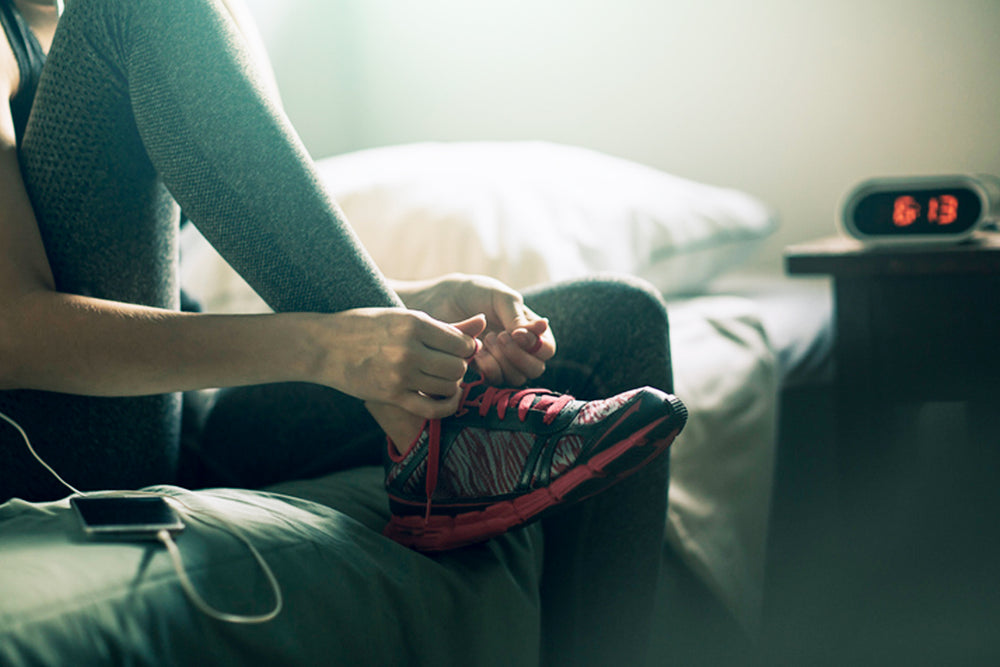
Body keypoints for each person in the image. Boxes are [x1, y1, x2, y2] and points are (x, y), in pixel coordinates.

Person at [0, 0, 685, 662]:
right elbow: (12, 330)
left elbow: (257, 256)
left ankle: (438, 433)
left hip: (184, 417)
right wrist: (326, 347)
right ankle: (434, 436)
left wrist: (406, 307)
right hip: (56, 438)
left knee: (618, 325)